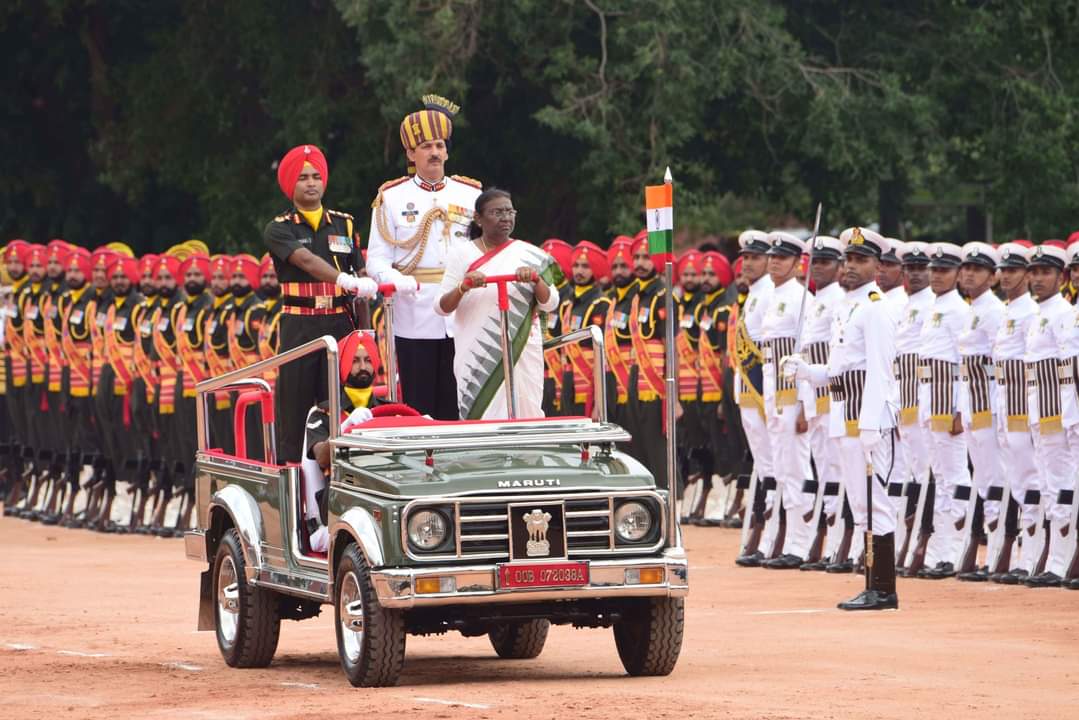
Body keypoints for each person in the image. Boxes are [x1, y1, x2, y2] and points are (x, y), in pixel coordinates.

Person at [783, 226, 900, 610]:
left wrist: (871, 424)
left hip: (866, 419)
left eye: (860, 260)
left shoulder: (875, 307)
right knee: (860, 503)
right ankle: (872, 584)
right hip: (842, 413)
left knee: (875, 502)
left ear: (877, 267)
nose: (851, 267)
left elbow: (881, 372)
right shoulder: (848, 307)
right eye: (848, 259)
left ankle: (883, 588)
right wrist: (804, 370)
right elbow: (837, 371)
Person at [366, 96, 479, 420]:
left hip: (462, 309)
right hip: (415, 311)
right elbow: (376, 259)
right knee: (420, 404)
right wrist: (397, 281)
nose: (434, 152)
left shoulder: (470, 194)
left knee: (461, 401)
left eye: (440, 145)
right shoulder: (392, 197)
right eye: (426, 146)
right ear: (411, 154)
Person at [264, 144, 376, 463]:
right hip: (299, 326)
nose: (311, 183)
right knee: (295, 409)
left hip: (340, 323)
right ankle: (296, 483)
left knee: (340, 402)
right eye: (302, 178)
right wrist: (342, 279)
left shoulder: (345, 224)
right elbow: (306, 261)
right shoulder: (279, 228)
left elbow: (360, 274)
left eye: (316, 176)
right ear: (291, 185)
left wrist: (364, 335)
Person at [435, 188, 560, 419]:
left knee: (527, 417)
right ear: (478, 219)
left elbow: (551, 302)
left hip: (522, 350)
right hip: (477, 356)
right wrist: (464, 286)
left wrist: (536, 279)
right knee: (483, 421)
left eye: (510, 211)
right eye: (497, 212)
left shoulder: (530, 254)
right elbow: (441, 307)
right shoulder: (461, 254)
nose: (506, 217)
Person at [758, 231, 816, 569]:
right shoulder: (774, 295)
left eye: (783, 257)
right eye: (773, 256)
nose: (775, 261)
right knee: (781, 468)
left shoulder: (798, 297)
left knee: (795, 467)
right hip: (773, 392)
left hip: (792, 394)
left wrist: (806, 405)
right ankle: (790, 539)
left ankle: (800, 542)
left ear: (797, 264)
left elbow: (803, 354)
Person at [302, 330, 383, 552]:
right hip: (340, 498)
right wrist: (345, 428)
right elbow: (321, 457)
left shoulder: (388, 409)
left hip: (382, 490)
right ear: (344, 365)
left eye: (368, 360)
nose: (363, 366)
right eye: (355, 361)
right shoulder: (323, 413)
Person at [954, 242, 1006, 580]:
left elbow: (998, 368)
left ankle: (1001, 551)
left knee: (995, 478)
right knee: (984, 479)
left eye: (978, 269)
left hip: (989, 404)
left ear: (994, 276)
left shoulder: (994, 311)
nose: (969, 274)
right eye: (967, 268)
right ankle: (993, 551)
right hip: (972, 404)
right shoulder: (971, 308)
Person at [987, 242, 1038, 583]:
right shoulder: (1008, 311)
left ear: (1027, 275)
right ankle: (1024, 550)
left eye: (1013, 270)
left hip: (1023, 402)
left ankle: (1032, 553)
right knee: (1015, 478)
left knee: (1030, 476)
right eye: (1003, 270)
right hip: (1004, 400)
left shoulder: (1030, 312)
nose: (1006, 276)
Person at [734, 229, 777, 566]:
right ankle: (765, 530)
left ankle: (772, 532)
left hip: (763, 390)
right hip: (748, 392)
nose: (748, 263)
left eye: (756, 257)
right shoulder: (753, 294)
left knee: (772, 464)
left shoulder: (769, 294)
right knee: (763, 464)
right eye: (746, 257)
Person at [558, 241, 611, 418]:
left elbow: (603, 356)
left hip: (588, 382)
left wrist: (599, 402)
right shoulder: (568, 304)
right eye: (576, 266)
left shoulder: (601, 304)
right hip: (568, 380)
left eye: (585, 266)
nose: (579, 271)